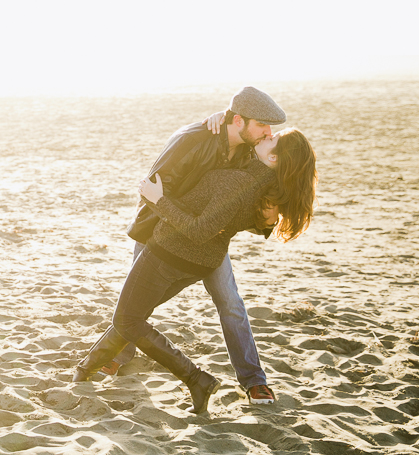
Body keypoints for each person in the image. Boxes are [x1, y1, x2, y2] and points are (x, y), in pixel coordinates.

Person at [73, 129, 318, 414]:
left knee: (128, 318)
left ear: (274, 156)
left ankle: (197, 379)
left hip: (170, 252)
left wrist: (158, 199)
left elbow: (199, 230)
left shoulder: (241, 182)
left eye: (271, 139)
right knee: (132, 313)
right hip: (197, 263)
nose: (266, 136)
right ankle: (86, 368)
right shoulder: (264, 187)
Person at [108, 86, 286, 406]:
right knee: (137, 304)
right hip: (161, 233)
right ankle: (119, 356)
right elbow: (154, 189)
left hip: (209, 242)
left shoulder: (250, 150)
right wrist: (184, 227)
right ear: (238, 121)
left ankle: (254, 381)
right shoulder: (193, 140)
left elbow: (241, 203)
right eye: (262, 125)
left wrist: (264, 221)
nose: (268, 133)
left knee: (230, 302)